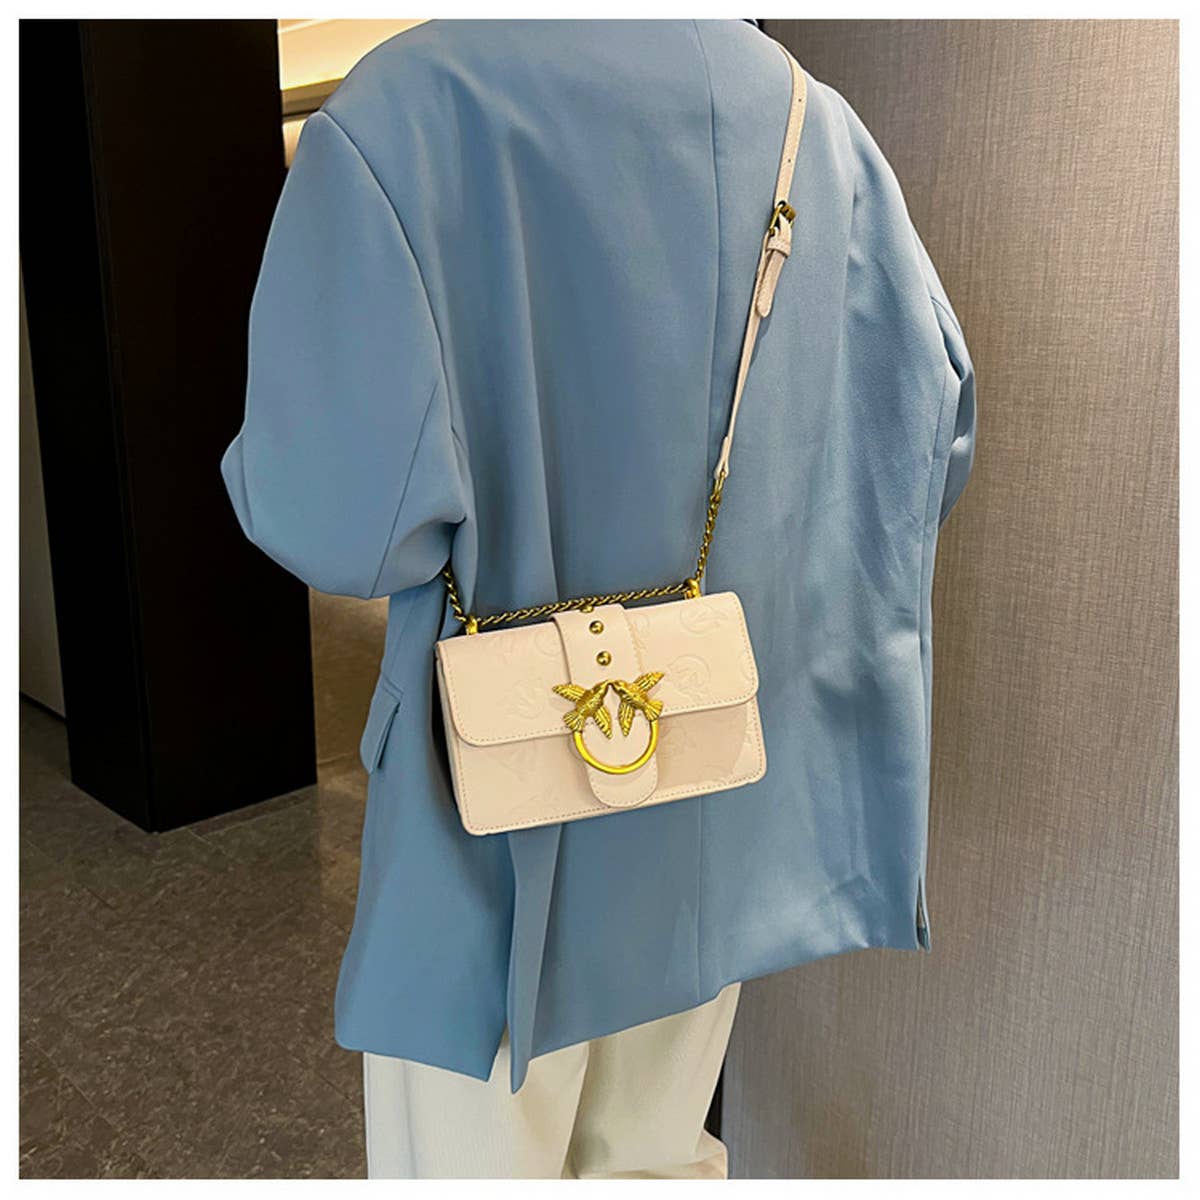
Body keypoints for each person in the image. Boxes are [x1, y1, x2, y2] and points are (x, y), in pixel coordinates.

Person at [221, 18, 975, 1179]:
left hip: (494, 793)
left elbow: (335, 521)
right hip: (715, 773)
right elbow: (934, 434)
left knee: (470, 1159)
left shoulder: (402, 112)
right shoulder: (813, 124)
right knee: (657, 1150)